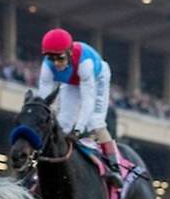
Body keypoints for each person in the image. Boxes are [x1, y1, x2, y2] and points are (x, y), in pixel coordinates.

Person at [38, 28, 123, 188]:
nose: (56, 63)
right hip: (72, 82)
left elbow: (88, 101)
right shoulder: (47, 67)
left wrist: (78, 129)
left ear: (69, 53)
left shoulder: (85, 63)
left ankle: (114, 167)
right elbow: (44, 101)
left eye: (60, 58)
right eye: (51, 58)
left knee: (95, 122)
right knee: (63, 123)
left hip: (96, 78)